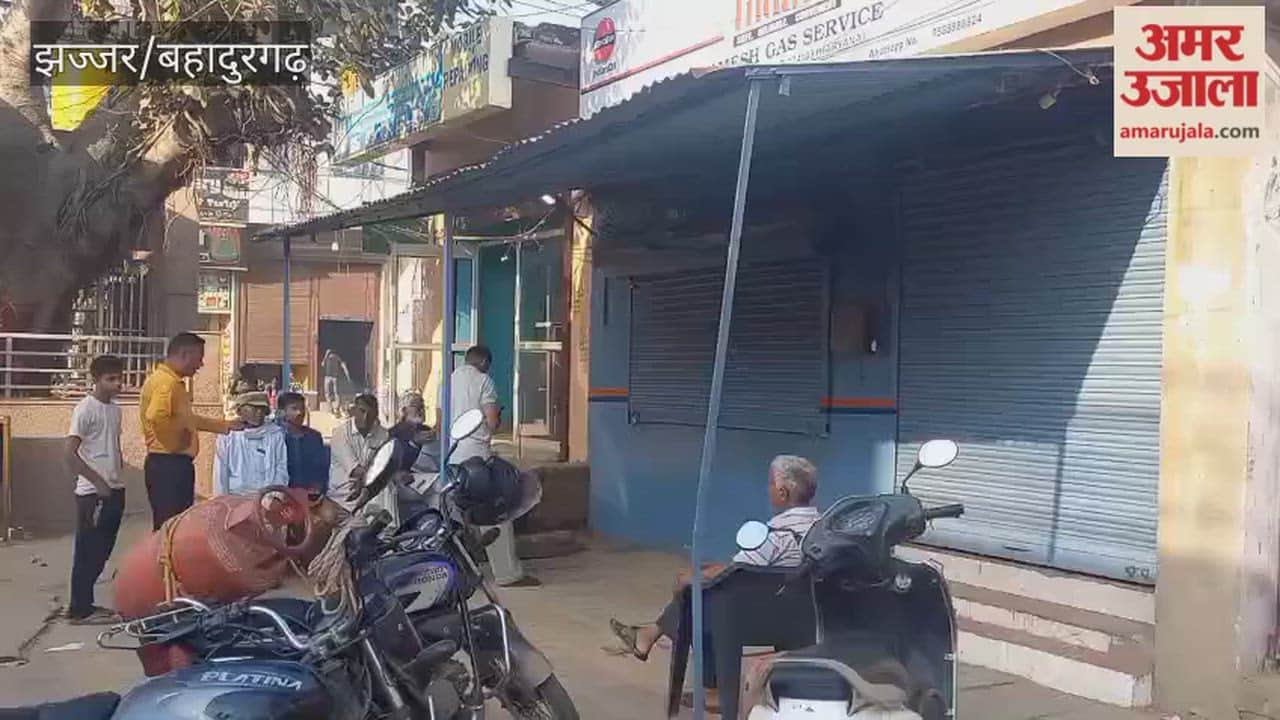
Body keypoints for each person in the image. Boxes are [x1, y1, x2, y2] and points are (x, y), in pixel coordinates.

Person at [607, 455, 820, 711]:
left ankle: (713, 688)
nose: (768, 490)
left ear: (783, 492)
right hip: (802, 618)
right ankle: (649, 634)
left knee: (696, 603)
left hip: (753, 622)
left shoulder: (775, 537)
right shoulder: (823, 529)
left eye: (770, 484)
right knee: (701, 592)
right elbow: (742, 566)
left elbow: (735, 573)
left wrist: (691, 578)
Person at [449, 345, 539, 588]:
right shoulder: (484, 381)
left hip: (452, 459)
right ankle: (507, 573)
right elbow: (490, 423)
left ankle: (460, 571)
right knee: (499, 509)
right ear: (485, 363)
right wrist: (498, 415)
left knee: (460, 515)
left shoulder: (446, 381)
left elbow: (440, 421)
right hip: (476, 459)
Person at [141, 333, 242, 530]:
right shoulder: (166, 384)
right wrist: (177, 445)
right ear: (185, 354)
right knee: (170, 527)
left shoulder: (170, 381)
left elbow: (186, 420)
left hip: (169, 463)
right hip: (169, 464)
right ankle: (164, 561)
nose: (201, 364)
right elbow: (156, 416)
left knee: (174, 525)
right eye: (199, 358)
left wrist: (223, 426)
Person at [65, 355, 126, 624]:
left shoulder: (116, 410)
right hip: (92, 492)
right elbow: (69, 454)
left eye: (118, 378)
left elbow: (112, 445)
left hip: (115, 488)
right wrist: (98, 481)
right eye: (110, 379)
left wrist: (115, 477)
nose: (116, 384)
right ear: (96, 379)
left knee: (103, 550)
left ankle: (86, 603)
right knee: (87, 550)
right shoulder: (84, 409)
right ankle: (79, 608)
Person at [213, 392, 289, 496]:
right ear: (240, 411)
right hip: (236, 497)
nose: (258, 412)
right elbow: (221, 472)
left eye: (262, 409)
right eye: (254, 408)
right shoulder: (228, 436)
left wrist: (275, 496)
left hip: (267, 497)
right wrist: (222, 500)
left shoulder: (275, 434)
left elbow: (281, 468)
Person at [328, 393, 389, 512]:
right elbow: (356, 471)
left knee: (389, 488)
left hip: (368, 488)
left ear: (376, 415)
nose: (365, 417)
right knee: (385, 489)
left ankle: (389, 529)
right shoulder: (340, 434)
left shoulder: (382, 434)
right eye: (362, 411)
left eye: (370, 413)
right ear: (354, 411)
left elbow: (385, 462)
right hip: (344, 492)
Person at [277, 391, 328, 493]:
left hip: (310, 493)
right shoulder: (275, 437)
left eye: (302, 408)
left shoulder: (314, 437)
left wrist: (317, 486)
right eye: (294, 409)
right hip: (282, 493)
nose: (300, 413)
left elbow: (321, 468)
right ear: (282, 412)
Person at [321, 349, 351, 417]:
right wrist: (326, 355)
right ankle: (332, 409)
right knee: (328, 393)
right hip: (328, 377)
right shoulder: (327, 358)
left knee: (336, 393)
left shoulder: (337, 358)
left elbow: (343, 366)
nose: (331, 354)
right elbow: (322, 364)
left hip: (334, 377)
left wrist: (347, 376)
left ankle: (336, 409)